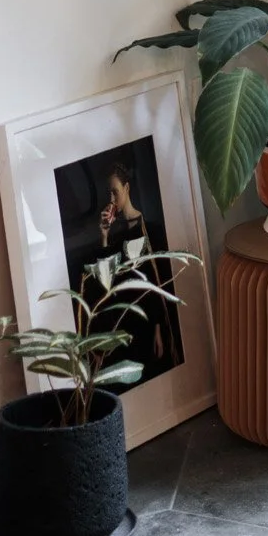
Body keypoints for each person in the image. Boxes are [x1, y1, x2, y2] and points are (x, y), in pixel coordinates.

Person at [84, 162, 182, 379]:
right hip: (122, 319)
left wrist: (157, 328)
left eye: (115, 192)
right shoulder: (114, 231)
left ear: (127, 188)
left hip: (147, 318)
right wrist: (104, 237)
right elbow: (106, 279)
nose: (111, 199)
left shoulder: (147, 227)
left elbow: (154, 280)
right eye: (108, 193)